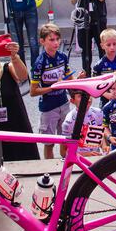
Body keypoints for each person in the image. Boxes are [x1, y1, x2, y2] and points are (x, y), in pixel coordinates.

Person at [30, 23, 76, 160]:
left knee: (66, 139)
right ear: (42, 41)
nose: (56, 43)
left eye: (57, 39)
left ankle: (65, 166)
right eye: (51, 39)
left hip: (64, 104)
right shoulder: (39, 62)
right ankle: (49, 171)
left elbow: (69, 78)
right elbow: (33, 91)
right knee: (49, 143)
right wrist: (53, 87)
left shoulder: (63, 57)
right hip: (48, 108)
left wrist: (76, 84)